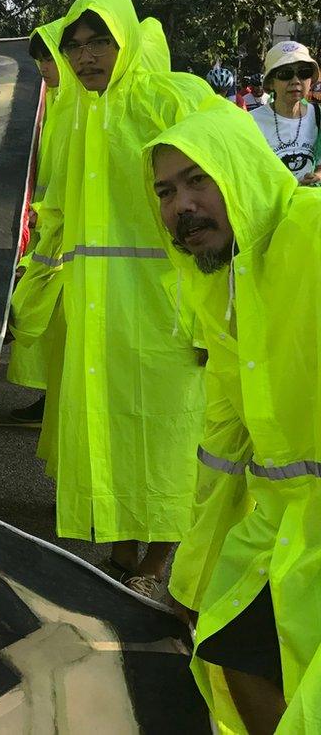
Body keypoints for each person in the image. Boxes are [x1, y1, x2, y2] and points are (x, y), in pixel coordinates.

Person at [147, 98, 321, 735]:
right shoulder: (214, 288)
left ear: (244, 170)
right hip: (287, 526)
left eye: (199, 180)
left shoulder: (313, 232)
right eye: (166, 191)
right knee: (228, 650)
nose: (181, 206)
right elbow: (224, 444)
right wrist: (190, 575)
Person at [41, 0, 211, 598]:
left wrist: (207, 311)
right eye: (76, 44)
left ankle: (159, 562)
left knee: (169, 428)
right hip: (95, 300)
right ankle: (118, 551)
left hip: (165, 297)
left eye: (100, 42)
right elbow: (54, 210)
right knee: (109, 422)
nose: (87, 56)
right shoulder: (71, 118)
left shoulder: (171, 100)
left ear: (127, 41)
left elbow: (219, 202)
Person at [0, 21, 69, 429]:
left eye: (49, 55)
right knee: (40, 325)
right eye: (39, 57)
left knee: (45, 322)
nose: (44, 65)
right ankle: (51, 398)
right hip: (40, 230)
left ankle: (53, 400)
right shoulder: (50, 102)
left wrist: (41, 210)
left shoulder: (73, 106)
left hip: (59, 233)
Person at [249, 41, 321, 186]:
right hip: (271, 207)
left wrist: (317, 176)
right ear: (270, 83)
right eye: (285, 74)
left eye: (303, 72)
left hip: (308, 206)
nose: (295, 81)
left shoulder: (318, 115)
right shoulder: (251, 121)